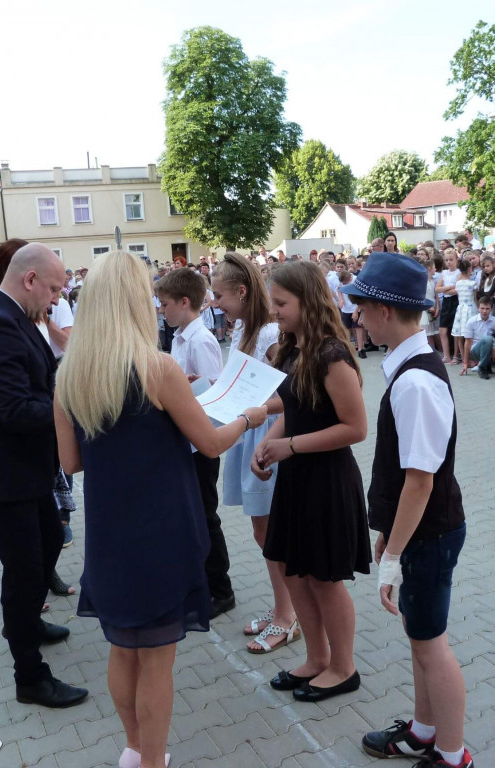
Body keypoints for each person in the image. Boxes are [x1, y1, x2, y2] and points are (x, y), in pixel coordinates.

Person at [54, 249, 266, 768]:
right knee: (157, 662)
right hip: (161, 528)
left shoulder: (69, 375)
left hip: (108, 531)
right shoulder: (158, 367)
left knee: (123, 648)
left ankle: (134, 749)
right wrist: (250, 415)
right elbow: (212, 444)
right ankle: (152, 760)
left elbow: (71, 461)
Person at [341, 252, 473, 768]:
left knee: (431, 645)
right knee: (420, 637)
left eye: (361, 306)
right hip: (422, 530)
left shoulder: (416, 381)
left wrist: (394, 552)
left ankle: (452, 753)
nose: (356, 316)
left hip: (431, 531)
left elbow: (420, 480)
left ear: (386, 311)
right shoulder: (408, 366)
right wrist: (391, 536)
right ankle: (423, 731)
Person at [0, 242, 89, 709]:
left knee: (50, 542)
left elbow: (42, 377)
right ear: (30, 279)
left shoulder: (13, 316)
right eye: (53, 289)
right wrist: (76, 409)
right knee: (25, 569)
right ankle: (29, 676)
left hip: (22, 468)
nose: (55, 299)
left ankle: (27, 624)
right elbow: (15, 410)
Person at [253, 260, 371, 704]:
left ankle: (344, 667)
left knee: (324, 578)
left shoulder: (331, 354)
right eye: (272, 302)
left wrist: (292, 446)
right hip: (296, 478)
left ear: (308, 301)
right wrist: (269, 443)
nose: (275, 310)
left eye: (281, 303)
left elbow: (355, 428)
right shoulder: (289, 350)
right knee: (295, 572)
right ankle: (316, 658)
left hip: (327, 481)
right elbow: (291, 407)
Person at [209, 253, 296, 655]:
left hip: (264, 434)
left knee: (271, 530)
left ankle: (288, 615)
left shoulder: (267, 335)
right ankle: (284, 606)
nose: (215, 303)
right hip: (249, 429)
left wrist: (254, 412)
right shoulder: (245, 327)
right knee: (263, 530)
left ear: (241, 291)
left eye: (219, 295)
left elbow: (289, 396)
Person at [155, 268, 236, 618]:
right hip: (185, 439)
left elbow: (214, 392)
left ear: (185, 303)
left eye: (166, 304)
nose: (162, 310)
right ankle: (199, 579)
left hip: (201, 440)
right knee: (191, 515)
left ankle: (221, 589)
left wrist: (190, 388)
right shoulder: (179, 336)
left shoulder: (200, 340)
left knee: (205, 515)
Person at [464, 298, 495, 380]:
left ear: (491, 309)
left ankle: (488, 364)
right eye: (482, 308)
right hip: (476, 350)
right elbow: (467, 342)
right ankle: (482, 368)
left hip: (491, 347)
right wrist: (465, 363)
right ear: (478, 308)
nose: (484, 311)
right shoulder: (471, 321)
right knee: (487, 339)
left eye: (487, 309)